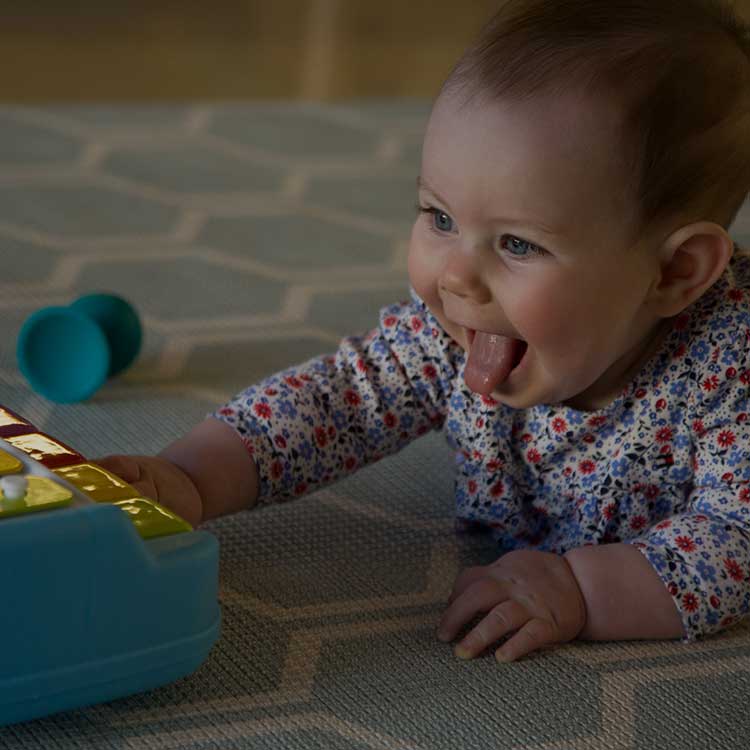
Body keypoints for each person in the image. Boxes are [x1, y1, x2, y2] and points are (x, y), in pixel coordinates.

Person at [97, 0, 750, 663]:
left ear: (674, 271)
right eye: (439, 217)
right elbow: (342, 401)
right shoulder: (465, 326)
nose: (457, 277)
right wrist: (191, 476)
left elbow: (736, 540)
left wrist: (581, 589)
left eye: (518, 244)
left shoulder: (731, 375)